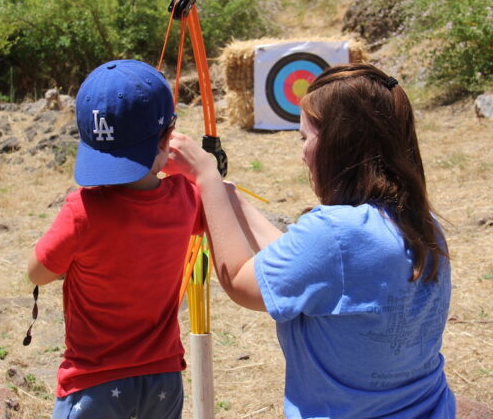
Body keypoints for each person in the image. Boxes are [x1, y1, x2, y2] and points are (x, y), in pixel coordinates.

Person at [165, 63, 456, 418]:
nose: (302, 151)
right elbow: (303, 264)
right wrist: (230, 198)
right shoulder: (420, 223)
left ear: (339, 144)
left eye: (306, 138)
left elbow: (242, 281)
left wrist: (206, 178)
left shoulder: (335, 234)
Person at [27, 60, 202, 419]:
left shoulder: (82, 211)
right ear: (169, 138)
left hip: (94, 385)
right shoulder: (186, 197)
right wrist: (198, 168)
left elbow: (37, 273)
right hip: (164, 379)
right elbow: (215, 205)